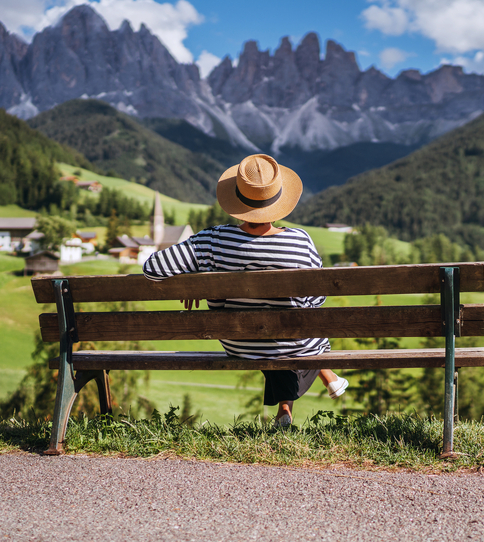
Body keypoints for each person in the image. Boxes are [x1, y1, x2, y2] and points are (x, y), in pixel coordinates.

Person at [142, 153, 348, 426]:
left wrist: (193, 278)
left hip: (239, 344)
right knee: (298, 331)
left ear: (237, 200)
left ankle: (290, 407)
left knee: (272, 336)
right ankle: (314, 385)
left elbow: (153, 268)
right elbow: (316, 298)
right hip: (292, 342)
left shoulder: (212, 240)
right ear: (278, 201)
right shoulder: (300, 241)